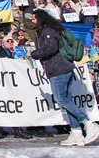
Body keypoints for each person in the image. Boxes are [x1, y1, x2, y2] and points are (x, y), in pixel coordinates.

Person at [29, 9, 99, 146]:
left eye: (34, 17)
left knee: (61, 99)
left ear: (40, 18)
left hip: (59, 69)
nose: (32, 20)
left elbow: (50, 49)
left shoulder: (48, 31)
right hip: (58, 68)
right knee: (66, 100)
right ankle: (76, 131)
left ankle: (89, 123)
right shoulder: (44, 31)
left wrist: (34, 54)